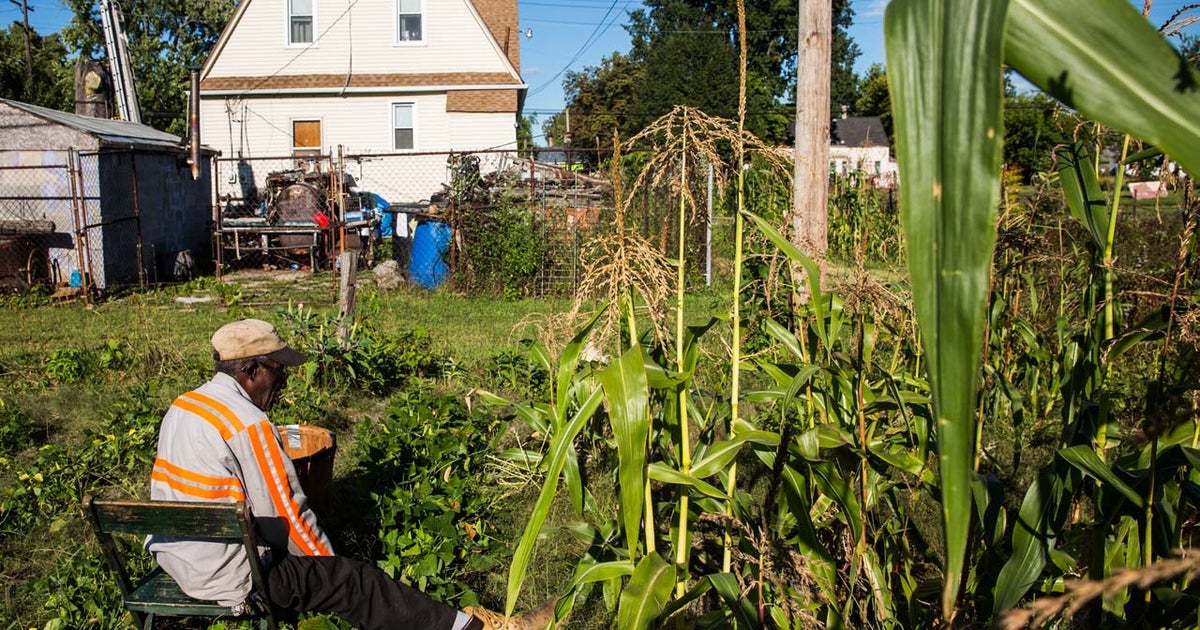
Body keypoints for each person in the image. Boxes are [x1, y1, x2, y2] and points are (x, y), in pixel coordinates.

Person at [146, 318, 554, 630]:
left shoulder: (185, 406)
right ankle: (472, 629)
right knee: (354, 580)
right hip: (230, 578)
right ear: (251, 371)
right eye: (278, 371)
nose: (284, 381)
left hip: (180, 560)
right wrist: (328, 570)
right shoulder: (247, 423)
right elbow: (288, 511)